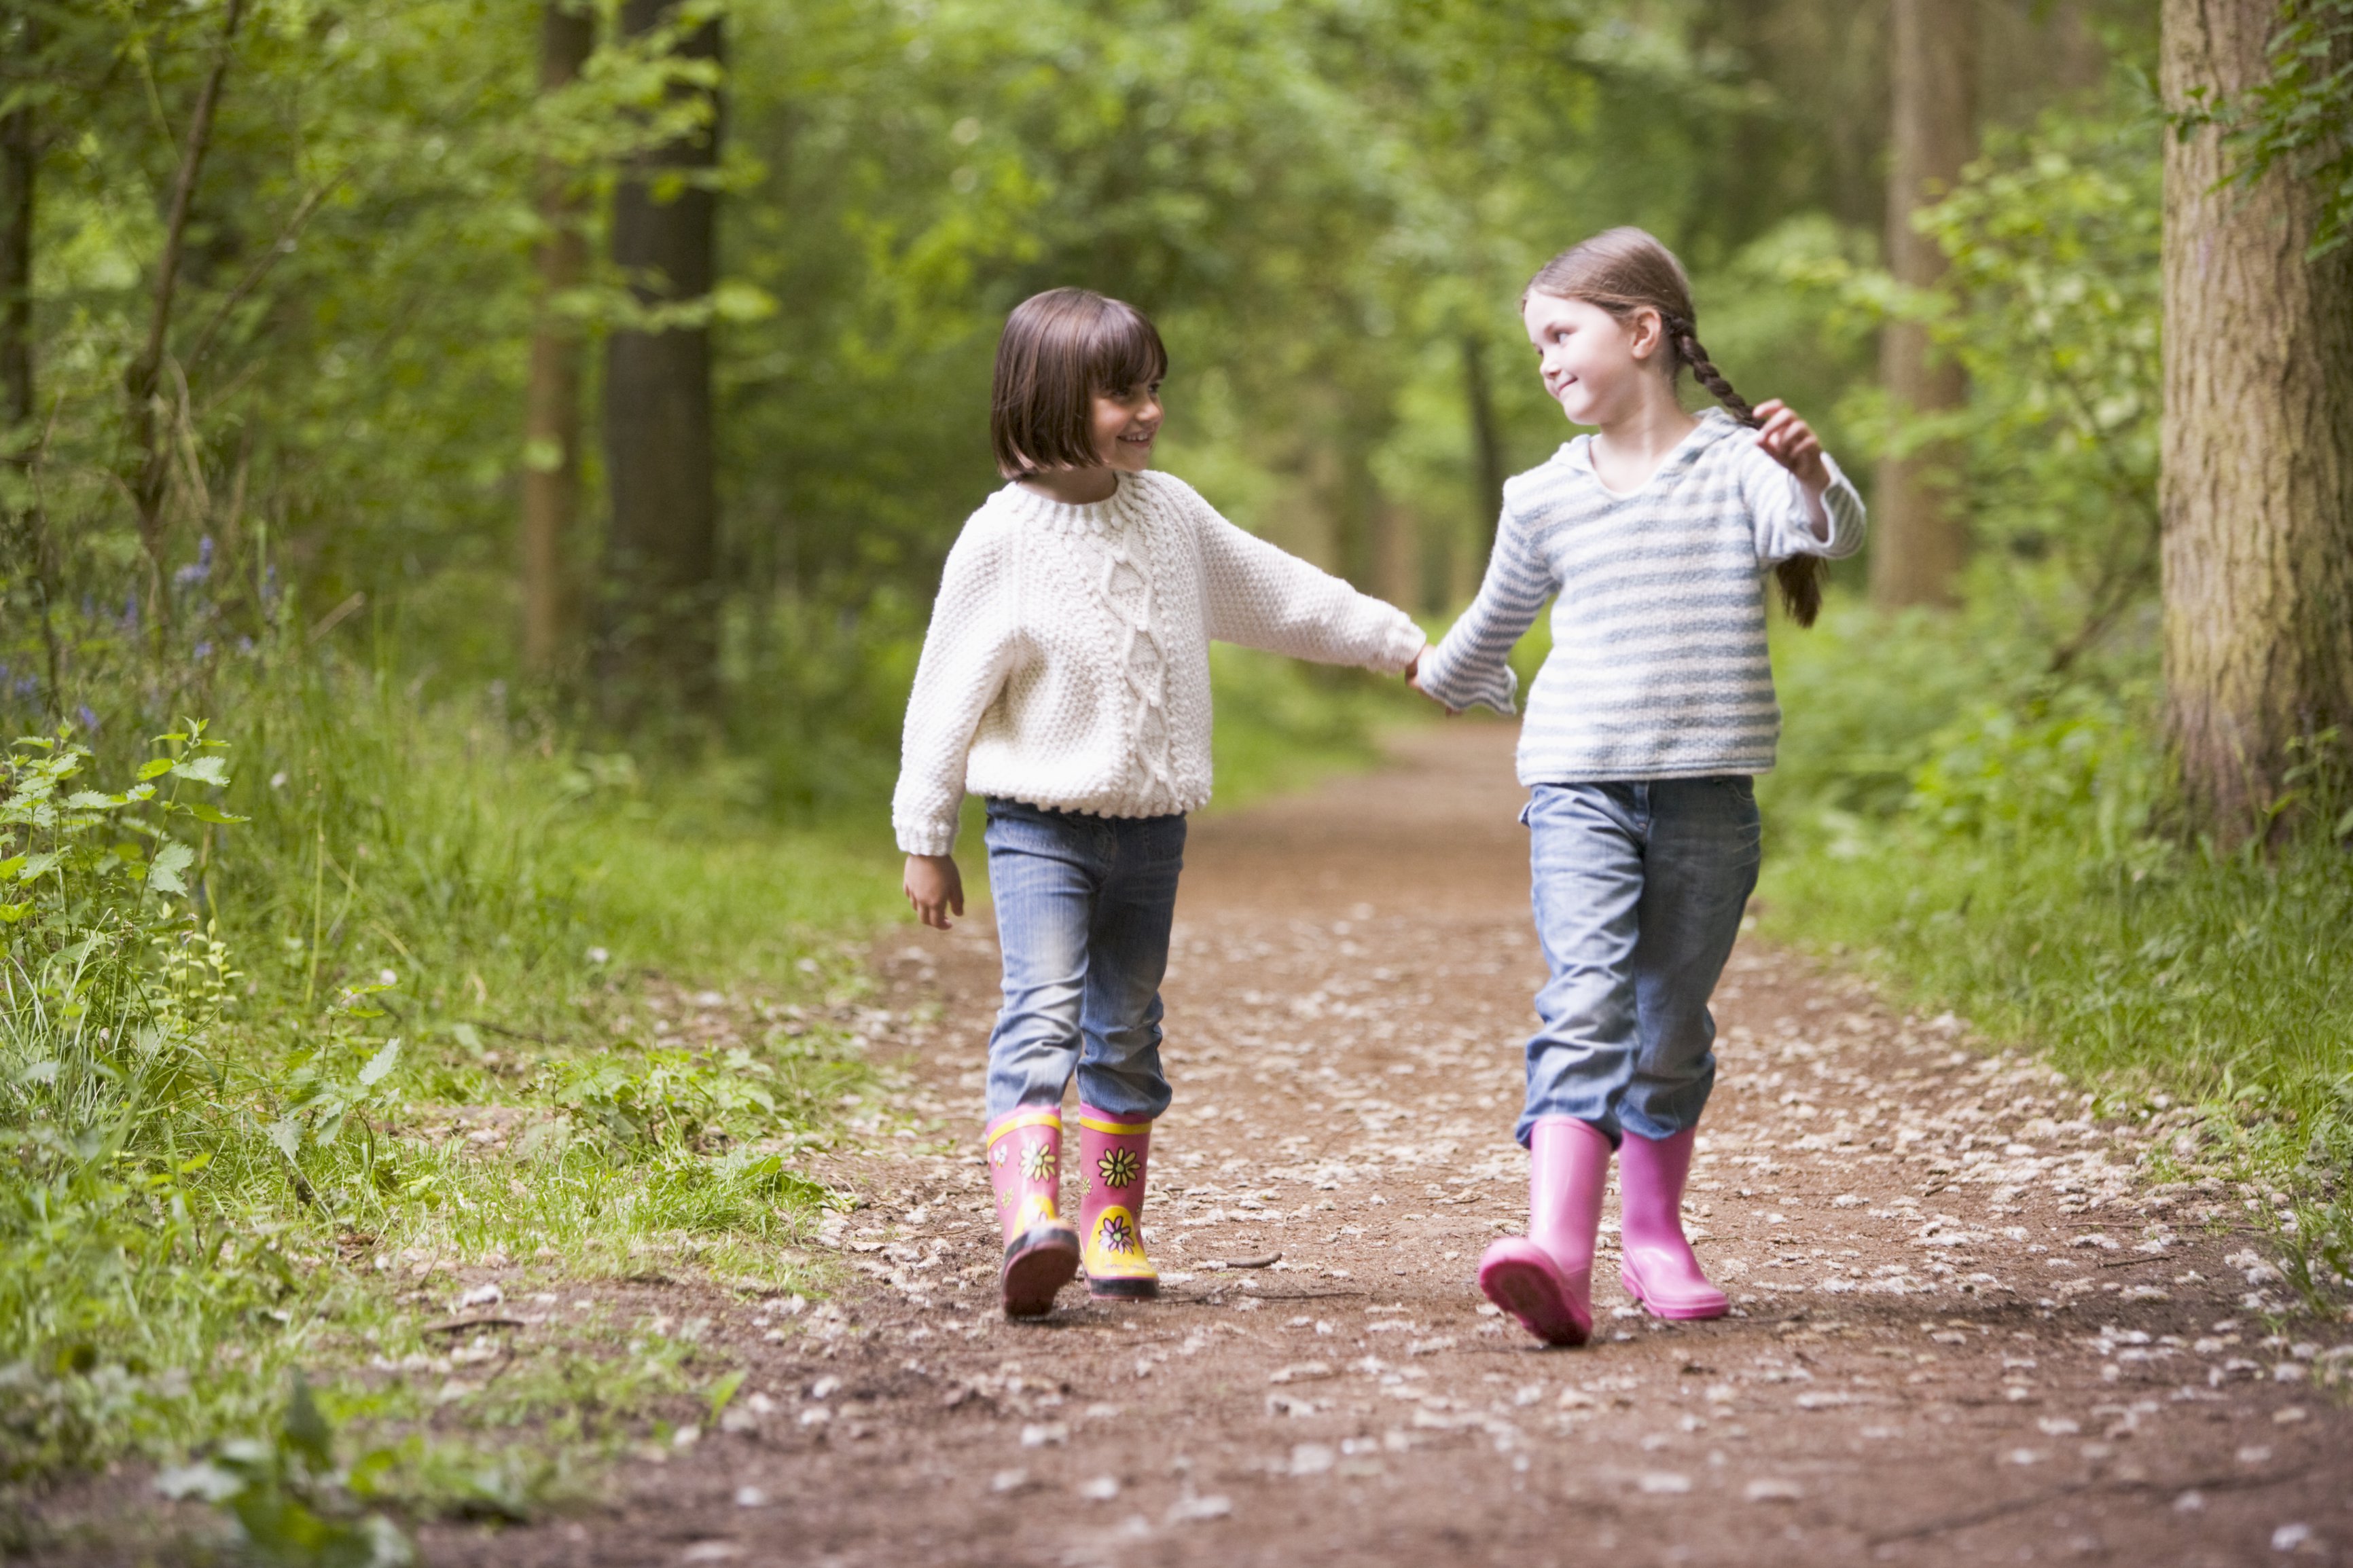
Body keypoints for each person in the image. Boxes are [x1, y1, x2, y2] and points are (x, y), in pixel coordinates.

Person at [895, 287, 1427, 1319]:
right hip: (1038, 829)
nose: (1146, 411)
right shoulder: (1001, 540)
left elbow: (1278, 592)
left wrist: (1396, 641)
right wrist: (927, 835)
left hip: (1152, 832)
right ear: (1046, 398)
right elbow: (943, 693)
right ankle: (1031, 1222)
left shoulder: (1172, 515)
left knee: (1128, 1027)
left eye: (1151, 389)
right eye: (1119, 393)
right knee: (1043, 1012)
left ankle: (1112, 1221)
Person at [1412, 227, 1865, 1346]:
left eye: (1562, 335)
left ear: (1645, 331)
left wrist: (1815, 471)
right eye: (1536, 347)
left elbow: (1830, 535)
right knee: (1587, 995)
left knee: (1669, 1023)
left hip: (1709, 795)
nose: (1548, 362)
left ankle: (1654, 1234)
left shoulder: (1739, 467)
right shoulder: (1541, 495)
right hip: (1578, 787)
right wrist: (1425, 667)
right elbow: (1493, 627)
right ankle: (1557, 1251)